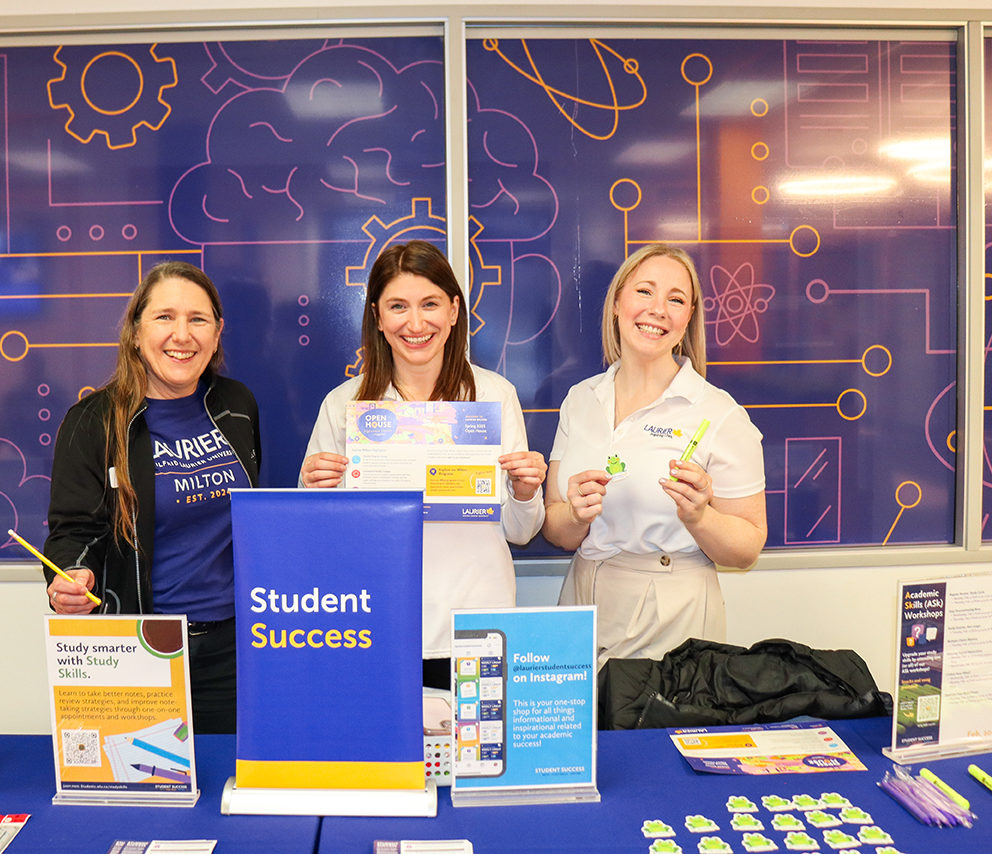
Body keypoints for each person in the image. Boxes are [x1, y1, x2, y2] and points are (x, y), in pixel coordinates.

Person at [299, 241, 546, 689]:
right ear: (377, 316)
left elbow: (520, 531)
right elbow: (317, 539)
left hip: (475, 624)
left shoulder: (493, 396)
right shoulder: (343, 406)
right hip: (375, 624)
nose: (415, 324)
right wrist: (313, 491)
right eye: (398, 306)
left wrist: (524, 492)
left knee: (474, 757)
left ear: (454, 310)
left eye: (430, 304)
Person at [44, 261, 260, 734]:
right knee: (145, 792)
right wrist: (72, 573)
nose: (182, 334)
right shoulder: (93, 422)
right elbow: (73, 532)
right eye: (164, 317)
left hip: (235, 650)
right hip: (139, 649)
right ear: (136, 332)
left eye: (197, 319)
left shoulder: (237, 406)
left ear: (217, 333)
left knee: (231, 789)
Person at [541, 243, 766, 664]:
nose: (658, 309)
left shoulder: (718, 414)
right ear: (617, 303)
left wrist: (701, 516)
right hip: (579, 605)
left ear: (688, 319)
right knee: (580, 730)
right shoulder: (580, 399)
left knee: (652, 732)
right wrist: (575, 515)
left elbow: (747, 547)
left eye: (676, 299)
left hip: (671, 619)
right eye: (645, 291)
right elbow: (555, 526)